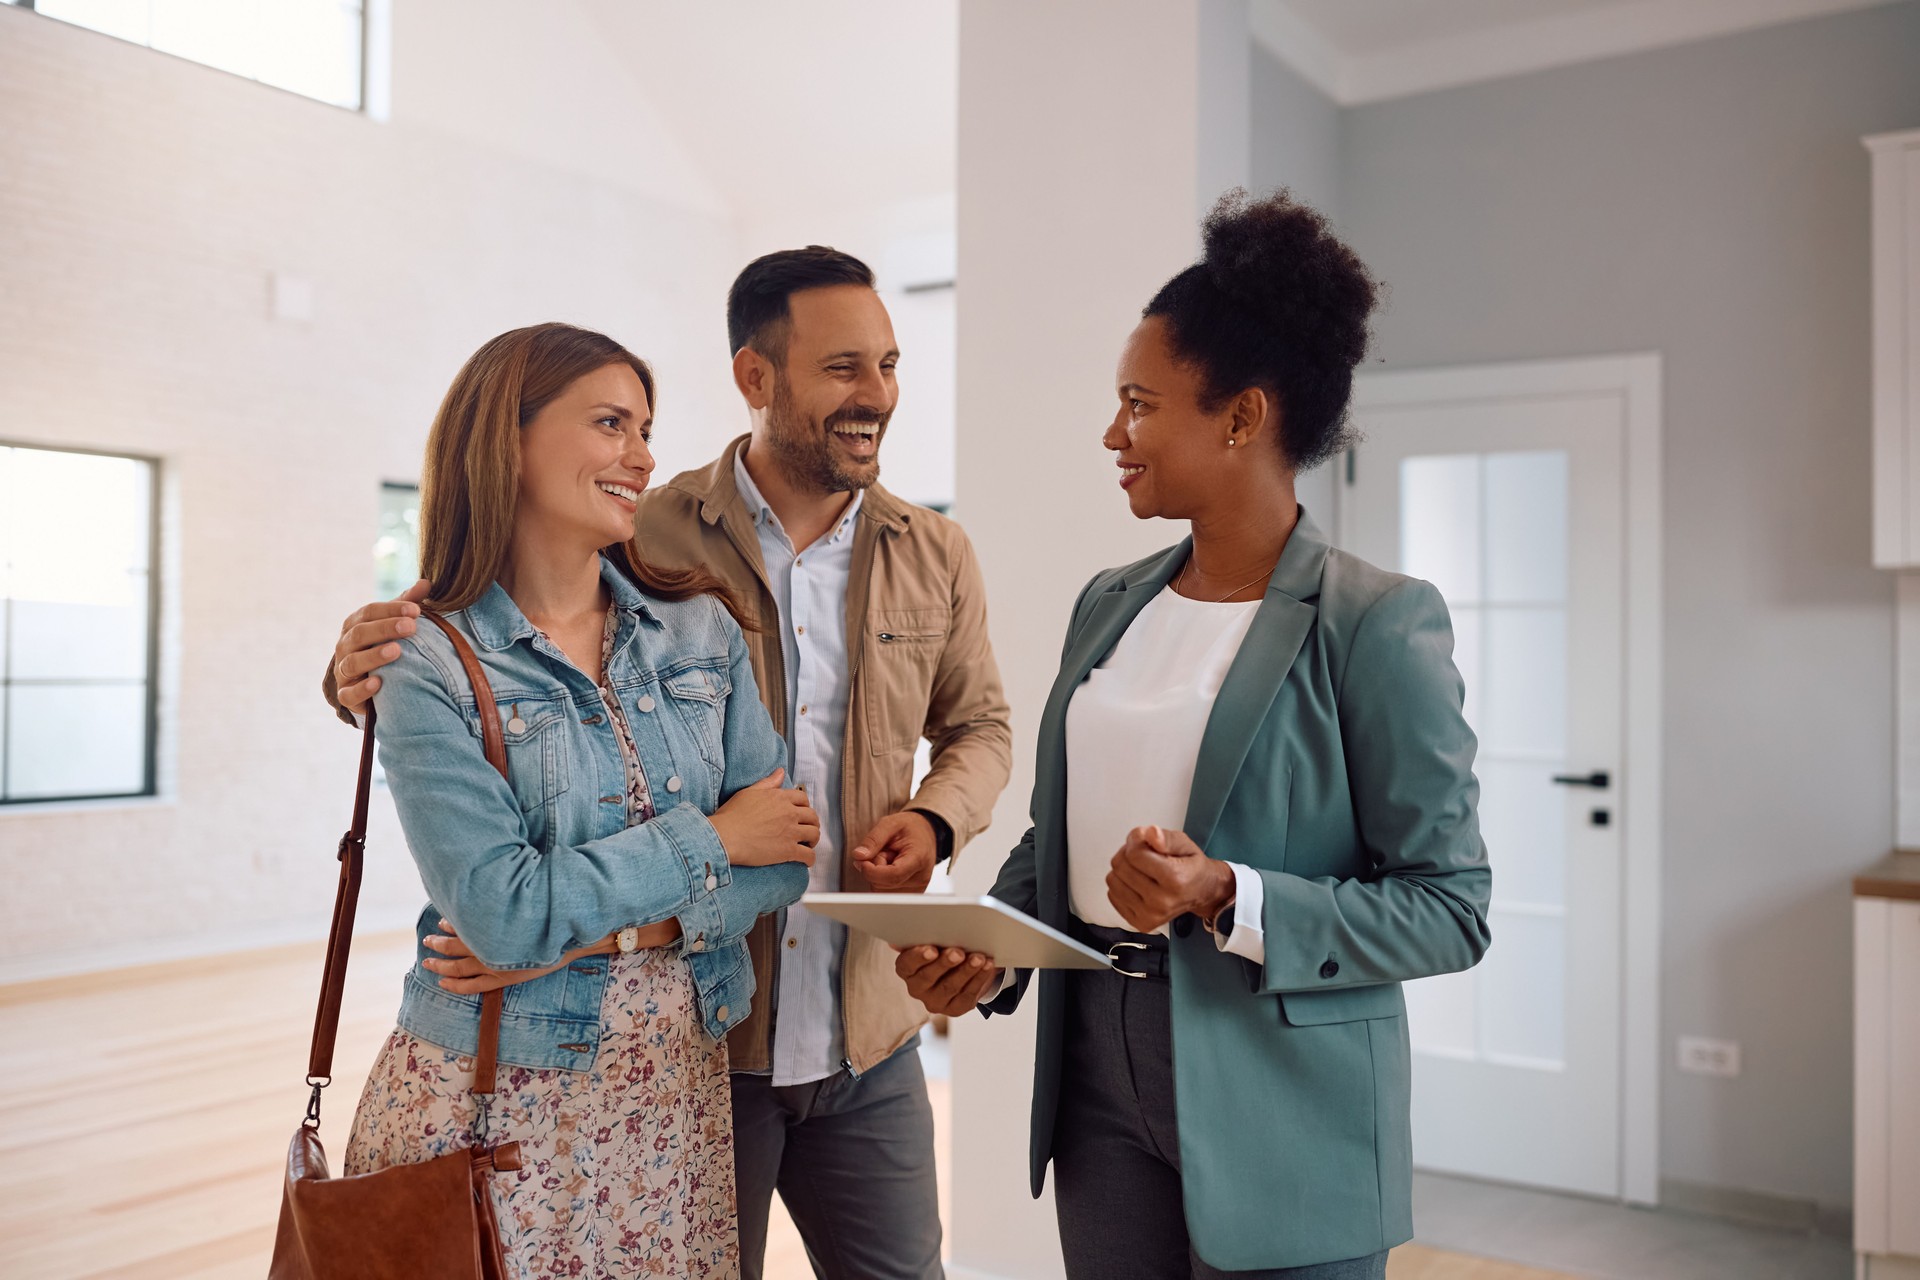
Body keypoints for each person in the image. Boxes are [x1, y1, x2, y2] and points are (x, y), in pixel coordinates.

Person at [327, 250, 1014, 1280]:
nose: (875, 394)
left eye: (888, 364)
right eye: (842, 367)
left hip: (855, 1023)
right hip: (708, 1043)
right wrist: (352, 679)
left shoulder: (929, 552)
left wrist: (938, 820)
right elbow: (467, 641)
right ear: (757, 376)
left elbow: (979, 730)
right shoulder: (644, 531)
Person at [896, 190, 1493, 1279]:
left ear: (1240, 417)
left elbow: (1452, 908)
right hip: (1095, 1078)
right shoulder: (1108, 601)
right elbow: (1057, 836)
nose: (1113, 433)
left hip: (1284, 1099)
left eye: (1139, 403)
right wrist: (991, 949)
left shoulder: (1376, 623)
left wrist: (1227, 892)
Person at [339, 322, 816, 1278]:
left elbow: (786, 864)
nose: (642, 457)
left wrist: (596, 932)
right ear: (506, 440)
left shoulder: (700, 631)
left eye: (646, 428)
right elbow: (503, 916)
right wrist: (717, 837)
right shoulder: (422, 658)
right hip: (491, 1104)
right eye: (610, 424)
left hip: (672, 1100)